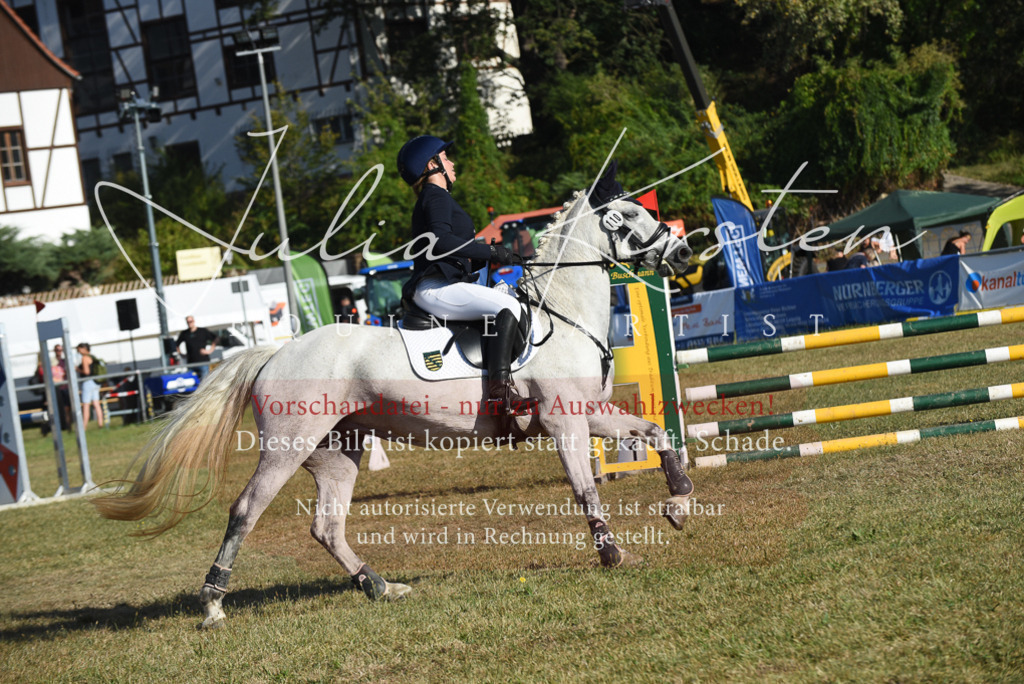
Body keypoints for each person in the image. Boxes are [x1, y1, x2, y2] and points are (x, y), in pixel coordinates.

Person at [396, 134, 534, 414]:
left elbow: (449, 252)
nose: (452, 162)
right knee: (507, 306)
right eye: (446, 158)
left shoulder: (435, 197)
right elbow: (442, 242)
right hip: (434, 288)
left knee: (506, 298)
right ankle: (500, 393)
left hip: (441, 284)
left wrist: (485, 259)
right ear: (432, 165)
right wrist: (492, 252)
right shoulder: (435, 196)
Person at [76, 342, 104, 428]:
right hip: (96, 382)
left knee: (86, 405)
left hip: (88, 382)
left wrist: (77, 369)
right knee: (96, 404)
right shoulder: (93, 357)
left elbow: (86, 372)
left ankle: (83, 427)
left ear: (84, 349)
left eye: (79, 349)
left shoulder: (85, 358)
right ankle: (100, 424)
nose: (78, 351)